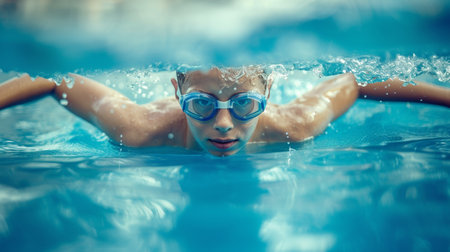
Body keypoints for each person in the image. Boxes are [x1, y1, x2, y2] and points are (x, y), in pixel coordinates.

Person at [0, 67, 449, 156]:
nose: (222, 123)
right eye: (198, 104)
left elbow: (354, 80)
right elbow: (57, 78)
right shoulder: (138, 129)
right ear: (175, 90)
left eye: (245, 105)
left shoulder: (295, 125)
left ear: (269, 93)